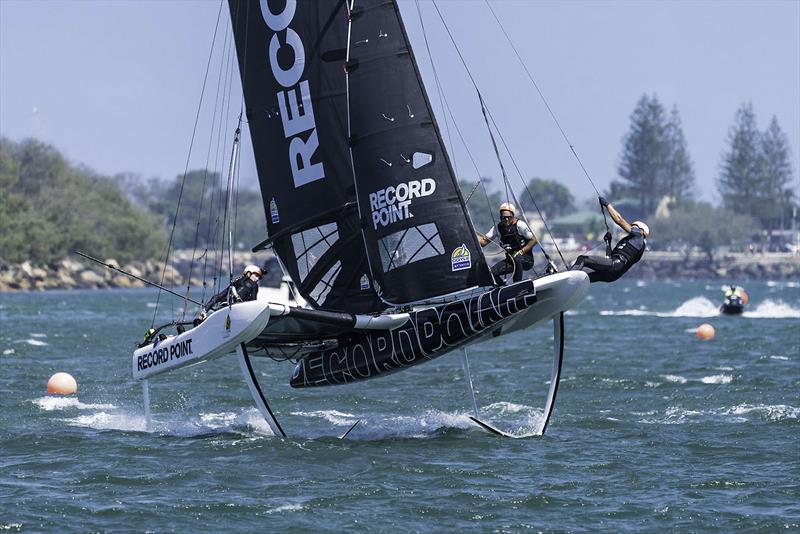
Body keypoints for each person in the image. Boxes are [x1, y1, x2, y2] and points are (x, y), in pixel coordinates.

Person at [571, 197, 649, 283]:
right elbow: (609, 258)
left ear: (641, 229)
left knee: (583, 259)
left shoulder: (639, 235)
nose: (632, 227)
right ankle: (565, 283)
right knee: (583, 275)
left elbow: (620, 220)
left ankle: (567, 278)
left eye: (634, 226)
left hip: (616, 265)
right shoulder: (634, 243)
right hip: (614, 273)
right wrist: (608, 242)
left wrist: (607, 205)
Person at [477, 202, 538, 284]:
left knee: (516, 258)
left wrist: (522, 251)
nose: (506, 220)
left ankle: (517, 284)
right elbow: (483, 243)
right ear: (500, 217)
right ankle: (502, 289)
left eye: (509, 217)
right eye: (503, 217)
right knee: (492, 273)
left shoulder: (520, 225)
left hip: (526, 260)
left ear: (513, 216)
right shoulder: (497, 228)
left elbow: (534, 239)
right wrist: (471, 234)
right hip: (511, 261)